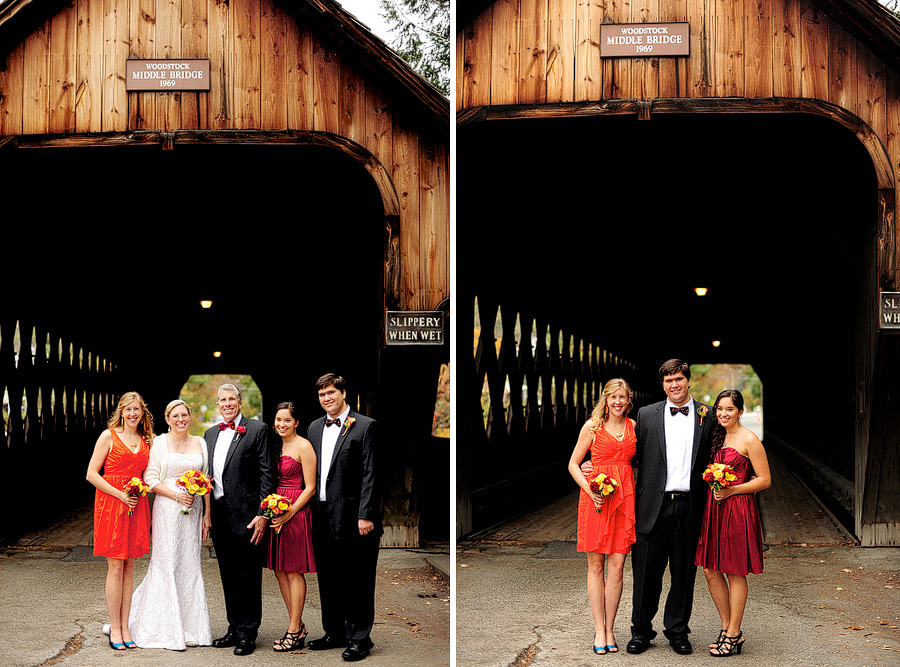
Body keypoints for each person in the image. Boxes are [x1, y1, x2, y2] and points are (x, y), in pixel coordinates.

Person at [306, 373, 381, 662]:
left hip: (354, 517)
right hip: (322, 513)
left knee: (358, 578)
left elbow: (371, 474)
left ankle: (361, 638)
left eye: (331, 393)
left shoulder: (365, 426)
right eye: (322, 394)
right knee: (329, 576)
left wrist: (366, 514)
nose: (327, 398)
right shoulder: (314, 427)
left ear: (343, 393)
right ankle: (334, 632)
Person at [129, 399, 213, 650]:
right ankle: (163, 627)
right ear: (167, 419)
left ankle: (191, 627)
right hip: (167, 508)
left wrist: (207, 514)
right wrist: (176, 495)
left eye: (184, 415)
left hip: (194, 509)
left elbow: (206, 478)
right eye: (175, 416)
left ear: (189, 417)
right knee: (166, 563)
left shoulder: (200, 442)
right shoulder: (159, 444)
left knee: (190, 564)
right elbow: (150, 478)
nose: (180, 420)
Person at [695, 389, 771, 657]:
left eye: (729, 409)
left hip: (738, 508)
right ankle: (727, 627)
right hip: (715, 509)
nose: (723, 414)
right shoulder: (718, 436)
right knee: (710, 569)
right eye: (720, 409)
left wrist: (733, 490)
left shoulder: (749, 439)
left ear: (740, 410)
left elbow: (764, 480)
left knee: (734, 570)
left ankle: (734, 632)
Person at [205, 383, 275, 656]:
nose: (227, 403)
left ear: (240, 402)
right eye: (222, 399)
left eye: (232, 398)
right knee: (228, 575)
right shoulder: (210, 434)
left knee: (248, 576)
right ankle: (233, 628)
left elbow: (267, 474)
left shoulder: (257, 430)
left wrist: (263, 514)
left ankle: (248, 633)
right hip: (221, 517)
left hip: (248, 517)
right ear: (218, 403)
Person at [568, 378, 636, 655]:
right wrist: (589, 487)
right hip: (596, 500)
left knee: (617, 568)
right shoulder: (592, 427)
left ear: (628, 400)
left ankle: (611, 629)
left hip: (624, 502)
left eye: (622, 397)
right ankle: (599, 629)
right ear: (605, 400)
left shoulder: (635, 427)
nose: (618, 402)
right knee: (596, 567)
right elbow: (573, 463)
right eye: (613, 397)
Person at [86, 391, 154, 651]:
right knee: (115, 567)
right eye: (128, 410)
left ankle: (126, 626)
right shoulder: (108, 436)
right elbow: (91, 474)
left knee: (129, 568)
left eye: (137, 409)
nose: (133, 414)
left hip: (137, 506)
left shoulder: (147, 440)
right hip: (112, 503)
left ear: (142, 412)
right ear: (121, 412)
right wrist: (120, 495)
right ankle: (114, 627)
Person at [266, 401, 318, 652]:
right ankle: (296, 625)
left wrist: (290, 513)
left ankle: (294, 629)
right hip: (276, 511)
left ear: (297, 422)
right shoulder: (275, 444)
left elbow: (311, 487)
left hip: (295, 512)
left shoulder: (303, 446)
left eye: (287, 420)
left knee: (293, 570)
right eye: (278, 420)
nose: (281, 424)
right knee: (279, 570)